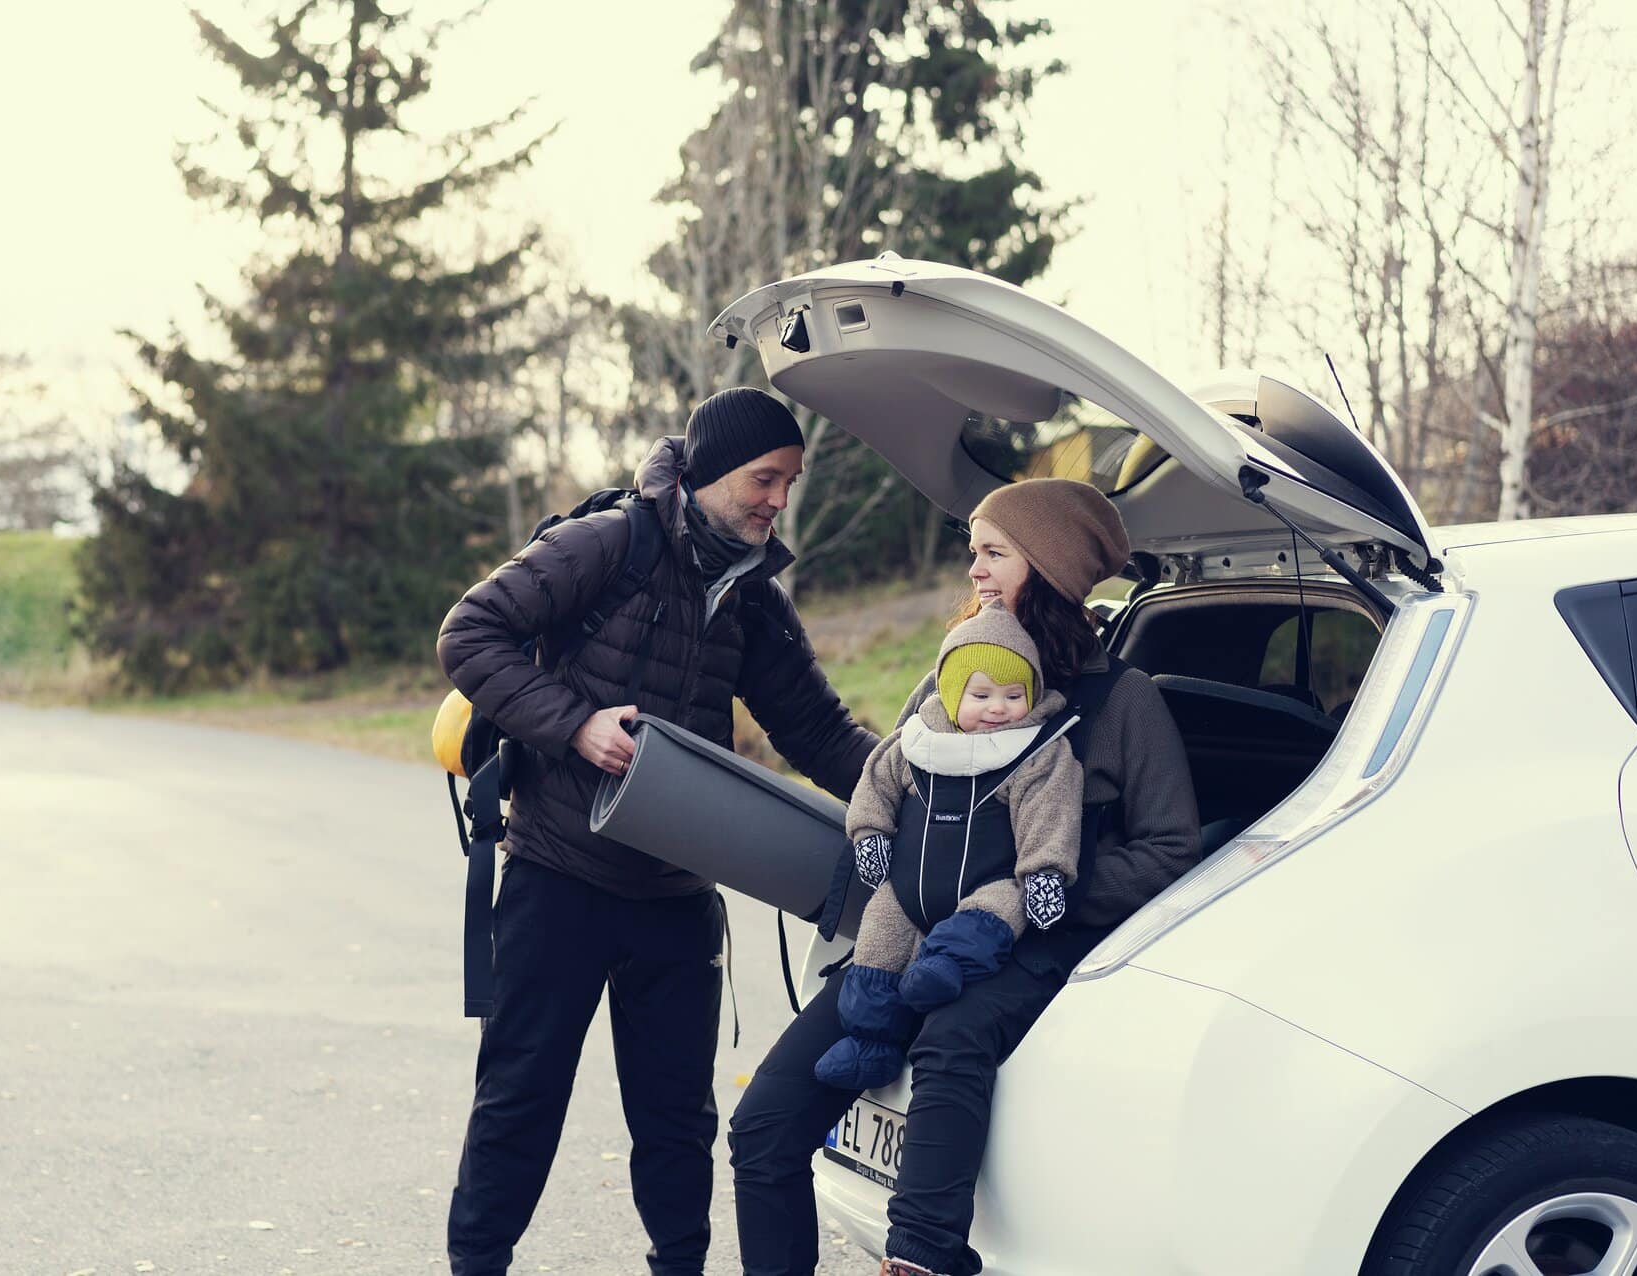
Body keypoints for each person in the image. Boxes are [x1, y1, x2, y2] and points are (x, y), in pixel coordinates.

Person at [436, 386, 878, 1276]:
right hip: (558, 874)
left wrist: (926, 797)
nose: (777, 501)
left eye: (790, 483)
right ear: (712, 472)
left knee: (678, 1120)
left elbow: (821, 733)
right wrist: (574, 724)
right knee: (520, 1102)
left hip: (675, 897)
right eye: (765, 479)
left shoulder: (754, 595)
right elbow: (469, 631)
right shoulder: (610, 543)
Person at [727, 477, 1201, 1276]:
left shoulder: (1126, 705)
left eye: (993, 553)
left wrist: (1047, 896)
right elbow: (890, 776)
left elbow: (1169, 848)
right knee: (762, 1131)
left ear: (1046, 566)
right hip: (907, 939)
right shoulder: (951, 676)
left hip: (1026, 945)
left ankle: (919, 1256)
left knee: (952, 1036)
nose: (974, 571)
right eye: (972, 552)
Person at [814, 602, 1083, 1092]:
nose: (998, 707)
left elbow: (1050, 814)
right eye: (981, 694)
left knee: (997, 913)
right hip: (907, 891)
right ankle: (869, 1045)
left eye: (1013, 694)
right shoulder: (917, 742)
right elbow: (875, 784)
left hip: (992, 884)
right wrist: (869, 833)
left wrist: (1045, 872)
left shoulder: (1038, 753)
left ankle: (942, 967)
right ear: (953, 695)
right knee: (877, 941)